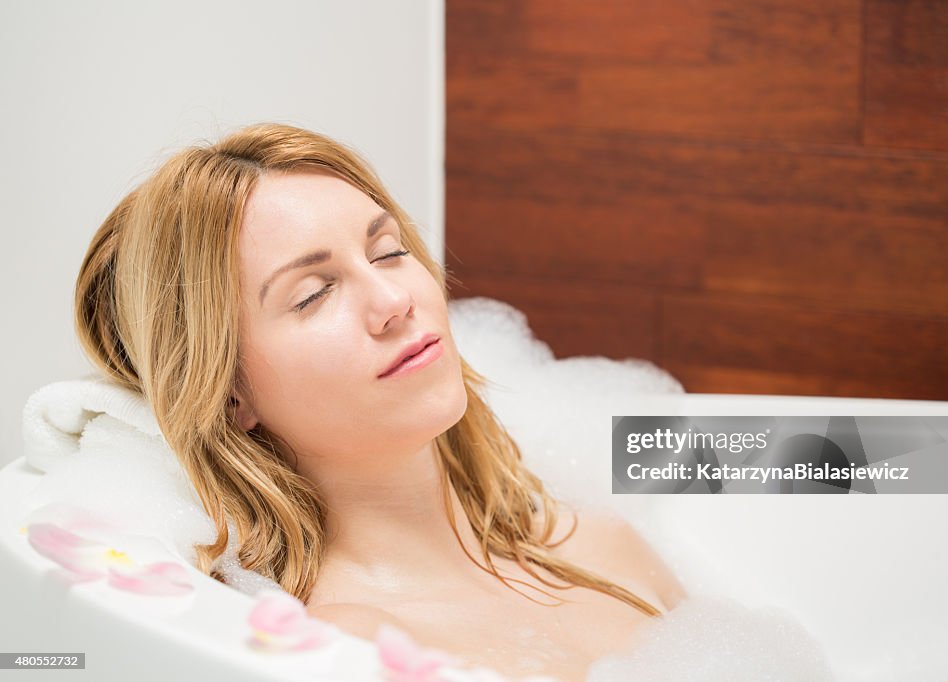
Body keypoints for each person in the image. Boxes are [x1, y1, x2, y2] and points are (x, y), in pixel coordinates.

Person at [73, 123, 686, 681]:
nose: (393, 298)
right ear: (229, 394)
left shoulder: (609, 547)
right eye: (312, 294)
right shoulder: (344, 648)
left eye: (389, 250)